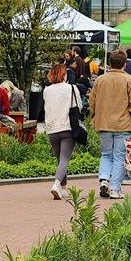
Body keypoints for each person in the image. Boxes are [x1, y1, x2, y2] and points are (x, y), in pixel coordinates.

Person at [89, 49, 131, 199]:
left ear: (110, 63)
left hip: (104, 123)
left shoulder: (100, 80)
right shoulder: (130, 80)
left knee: (106, 154)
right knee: (119, 157)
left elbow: (92, 102)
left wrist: (95, 116)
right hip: (123, 124)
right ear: (124, 64)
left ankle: (104, 179)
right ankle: (115, 188)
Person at [41, 63, 81, 200]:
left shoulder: (47, 90)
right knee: (64, 159)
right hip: (67, 127)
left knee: (60, 159)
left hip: (52, 128)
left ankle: (64, 189)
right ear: (64, 75)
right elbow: (79, 106)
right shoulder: (72, 88)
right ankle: (56, 184)